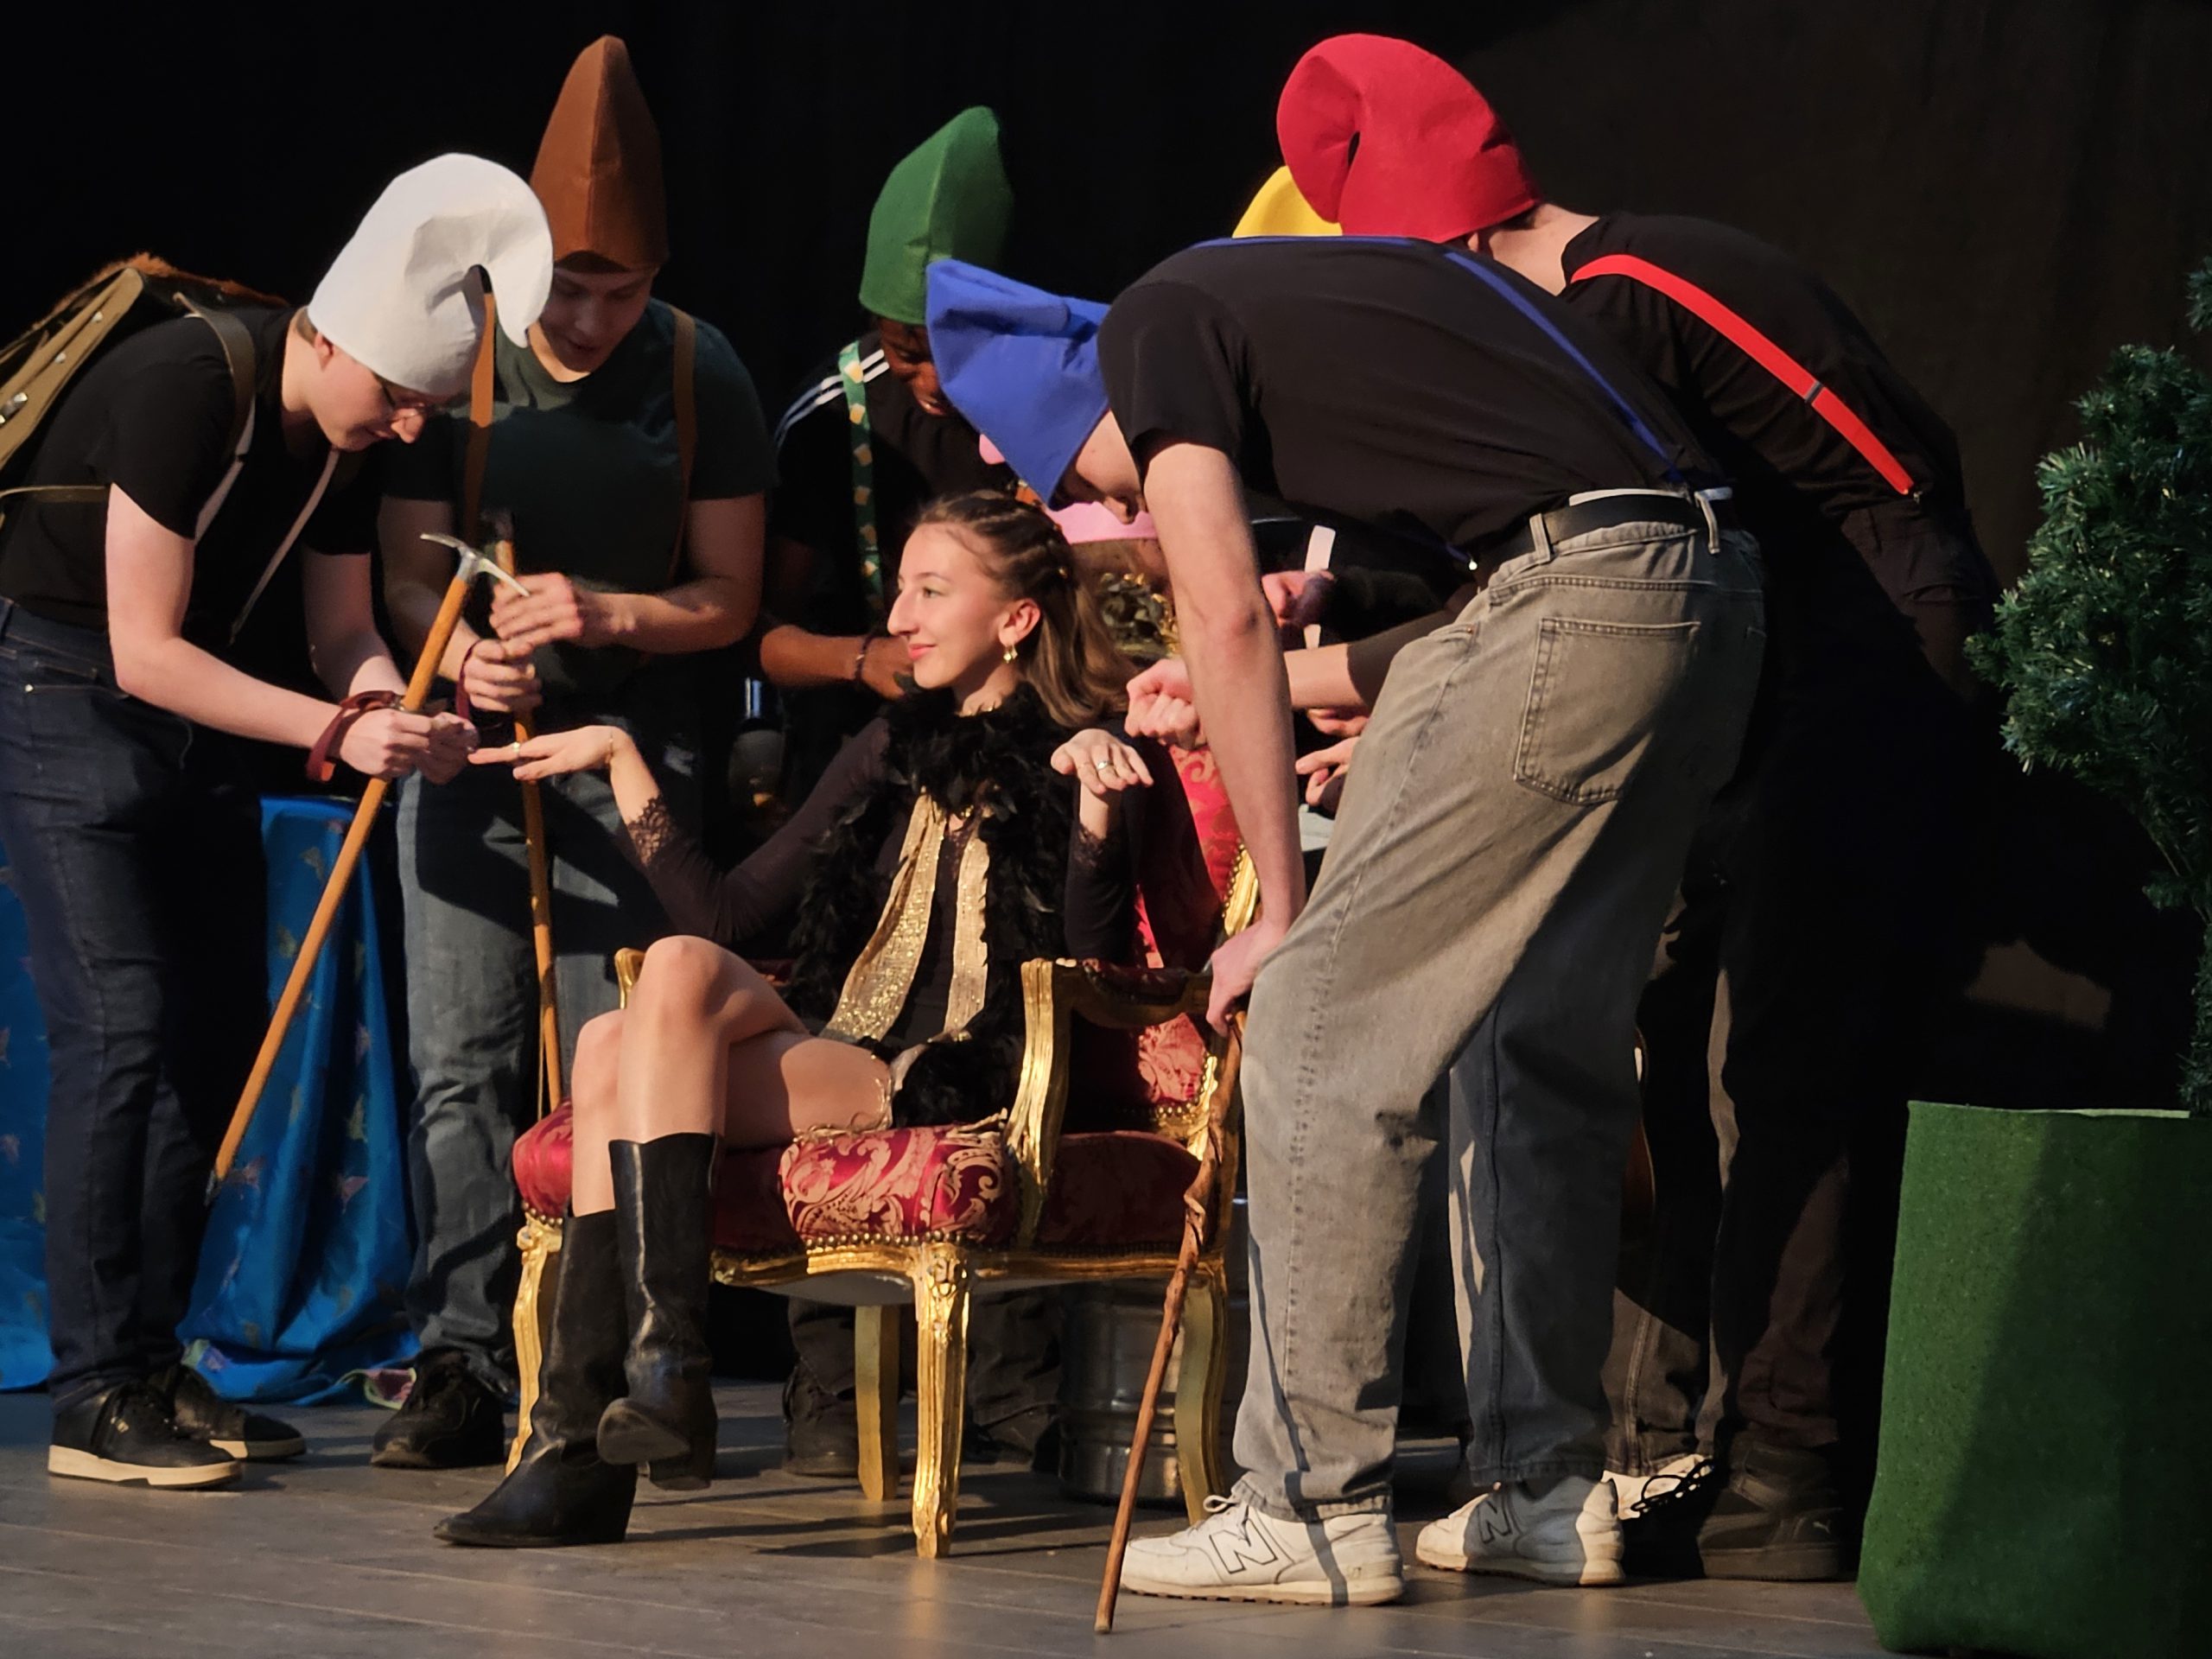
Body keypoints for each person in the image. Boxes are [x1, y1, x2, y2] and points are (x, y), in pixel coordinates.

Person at [926, 248, 1764, 1604]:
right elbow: (1510, 596)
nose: (1116, 503)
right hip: (1703, 598)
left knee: (1318, 1017)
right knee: (1532, 1038)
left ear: (1085, 401)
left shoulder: (1155, 323)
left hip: (1571, 601)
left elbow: (1224, 615)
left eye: (1092, 477)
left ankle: (1306, 1506)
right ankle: (1544, 1491)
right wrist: (1246, 681)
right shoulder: (1319, 308)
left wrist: (1283, 904)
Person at [1276, 33, 1999, 1579]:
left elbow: (1886, 477)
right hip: (1744, 685)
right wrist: (1351, 631)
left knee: (1788, 1058)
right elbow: (1555, 571)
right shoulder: (1583, 328)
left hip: (1867, 654)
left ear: (1455, 250)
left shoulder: (1641, 283)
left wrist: (1333, 664)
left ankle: (1786, 1468)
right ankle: (1662, 1448)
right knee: (1660, 1035)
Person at [432, 492, 1185, 1546]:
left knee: (609, 1050)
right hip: (841, 1034)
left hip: (948, 1068)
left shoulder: (1085, 749)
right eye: (901, 590)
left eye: (932, 592)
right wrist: (619, 759)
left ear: (1016, 618)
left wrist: (1098, 818)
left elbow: (1090, 962)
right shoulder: (889, 740)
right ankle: (659, 1369)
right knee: (643, 1001)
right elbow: (729, 916)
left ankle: (582, 1447)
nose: (902, 618)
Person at [0, 155, 551, 1487]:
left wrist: (393, 712)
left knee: (213, 1036)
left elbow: (341, 630)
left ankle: (151, 1362)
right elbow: (143, 650)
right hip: (65, 688)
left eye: (429, 408)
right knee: (124, 1026)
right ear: (332, 338)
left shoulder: (346, 442)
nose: (408, 428)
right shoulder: (186, 385)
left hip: (206, 715)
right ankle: (91, 1391)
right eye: (401, 396)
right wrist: (334, 730)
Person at [372, 36, 775, 1470]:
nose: (594, 318)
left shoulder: (698, 367)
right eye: (569, 289)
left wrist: (606, 611)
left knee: (614, 1058)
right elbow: (404, 576)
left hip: (628, 755)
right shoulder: (463, 359)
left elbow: (729, 598)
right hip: (475, 756)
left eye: (624, 290)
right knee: (460, 1062)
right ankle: (463, 1359)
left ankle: (595, 1369)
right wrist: (458, 653)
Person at [753, 106, 1041, 1478]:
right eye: (896, 344)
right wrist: (872, 660)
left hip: (1023, 766)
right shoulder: (837, 417)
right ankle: (832, 1392)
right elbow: (763, 632)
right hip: (871, 772)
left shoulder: (1056, 402)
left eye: (936, 346)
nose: (916, 373)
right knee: (851, 1029)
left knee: (996, 1044)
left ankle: (1014, 1387)